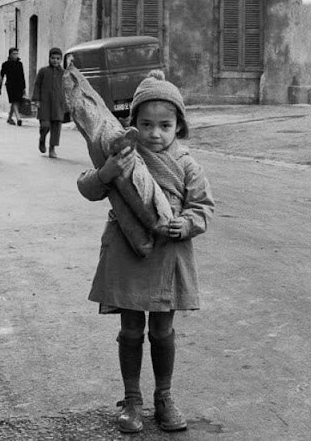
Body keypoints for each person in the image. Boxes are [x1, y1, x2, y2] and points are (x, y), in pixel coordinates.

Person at [76, 72, 214, 434]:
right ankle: (132, 399)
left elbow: (202, 207)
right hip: (126, 251)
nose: (155, 133)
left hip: (168, 256)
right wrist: (106, 172)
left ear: (178, 127)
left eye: (165, 125)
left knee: (163, 329)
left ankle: (164, 396)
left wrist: (185, 224)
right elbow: (88, 188)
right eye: (146, 124)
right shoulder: (122, 155)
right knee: (132, 327)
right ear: (132, 124)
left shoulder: (186, 165)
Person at [32, 47, 66, 158]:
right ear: (49, 58)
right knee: (45, 125)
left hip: (58, 104)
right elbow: (37, 85)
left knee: (56, 127)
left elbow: (68, 88)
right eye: (53, 58)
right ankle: (42, 139)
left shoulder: (64, 73)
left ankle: (52, 148)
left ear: (61, 60)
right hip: (45, 103)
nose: (55, 60)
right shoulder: (43, 71)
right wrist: (36, 100)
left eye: (58, 58)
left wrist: (67, 104)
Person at [0, 47, 26, 126]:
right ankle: (18, 118)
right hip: (10, 86)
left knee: (17, 102)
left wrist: (24, 88)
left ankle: (9, 118)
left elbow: (22, 76)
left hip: (19, 85)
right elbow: (1, 76)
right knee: (14, 101)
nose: (15, 55)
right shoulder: (5, 64)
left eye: (16, 54)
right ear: (10, 55)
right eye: (14, 54)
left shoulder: (20, 64)